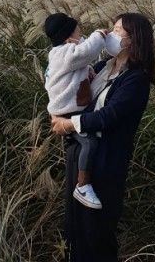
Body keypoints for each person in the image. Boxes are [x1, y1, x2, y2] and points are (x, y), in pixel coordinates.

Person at [50, 12, 155, 262]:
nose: (111, 33)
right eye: (113, 28)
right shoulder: (103, 65)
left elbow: (111, 115)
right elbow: (72, 85)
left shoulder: (136, 80)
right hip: (80, 153)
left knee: (96, 230)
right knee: (75, 226)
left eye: (119, 30)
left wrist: (69, 123)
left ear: (134, 40)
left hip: (106, 161)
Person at [43, 12, 108, 209]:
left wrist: (87, 70)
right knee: (89, 142)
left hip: (69, 109)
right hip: (68, 112)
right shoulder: (65, 54)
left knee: (83, 138)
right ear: (67, 35)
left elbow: (77, 65)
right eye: (78, 31)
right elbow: (86, 52)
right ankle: (83, 184)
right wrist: (99, 35)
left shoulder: (62, 54)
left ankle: (72, 138)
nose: (82, 35)